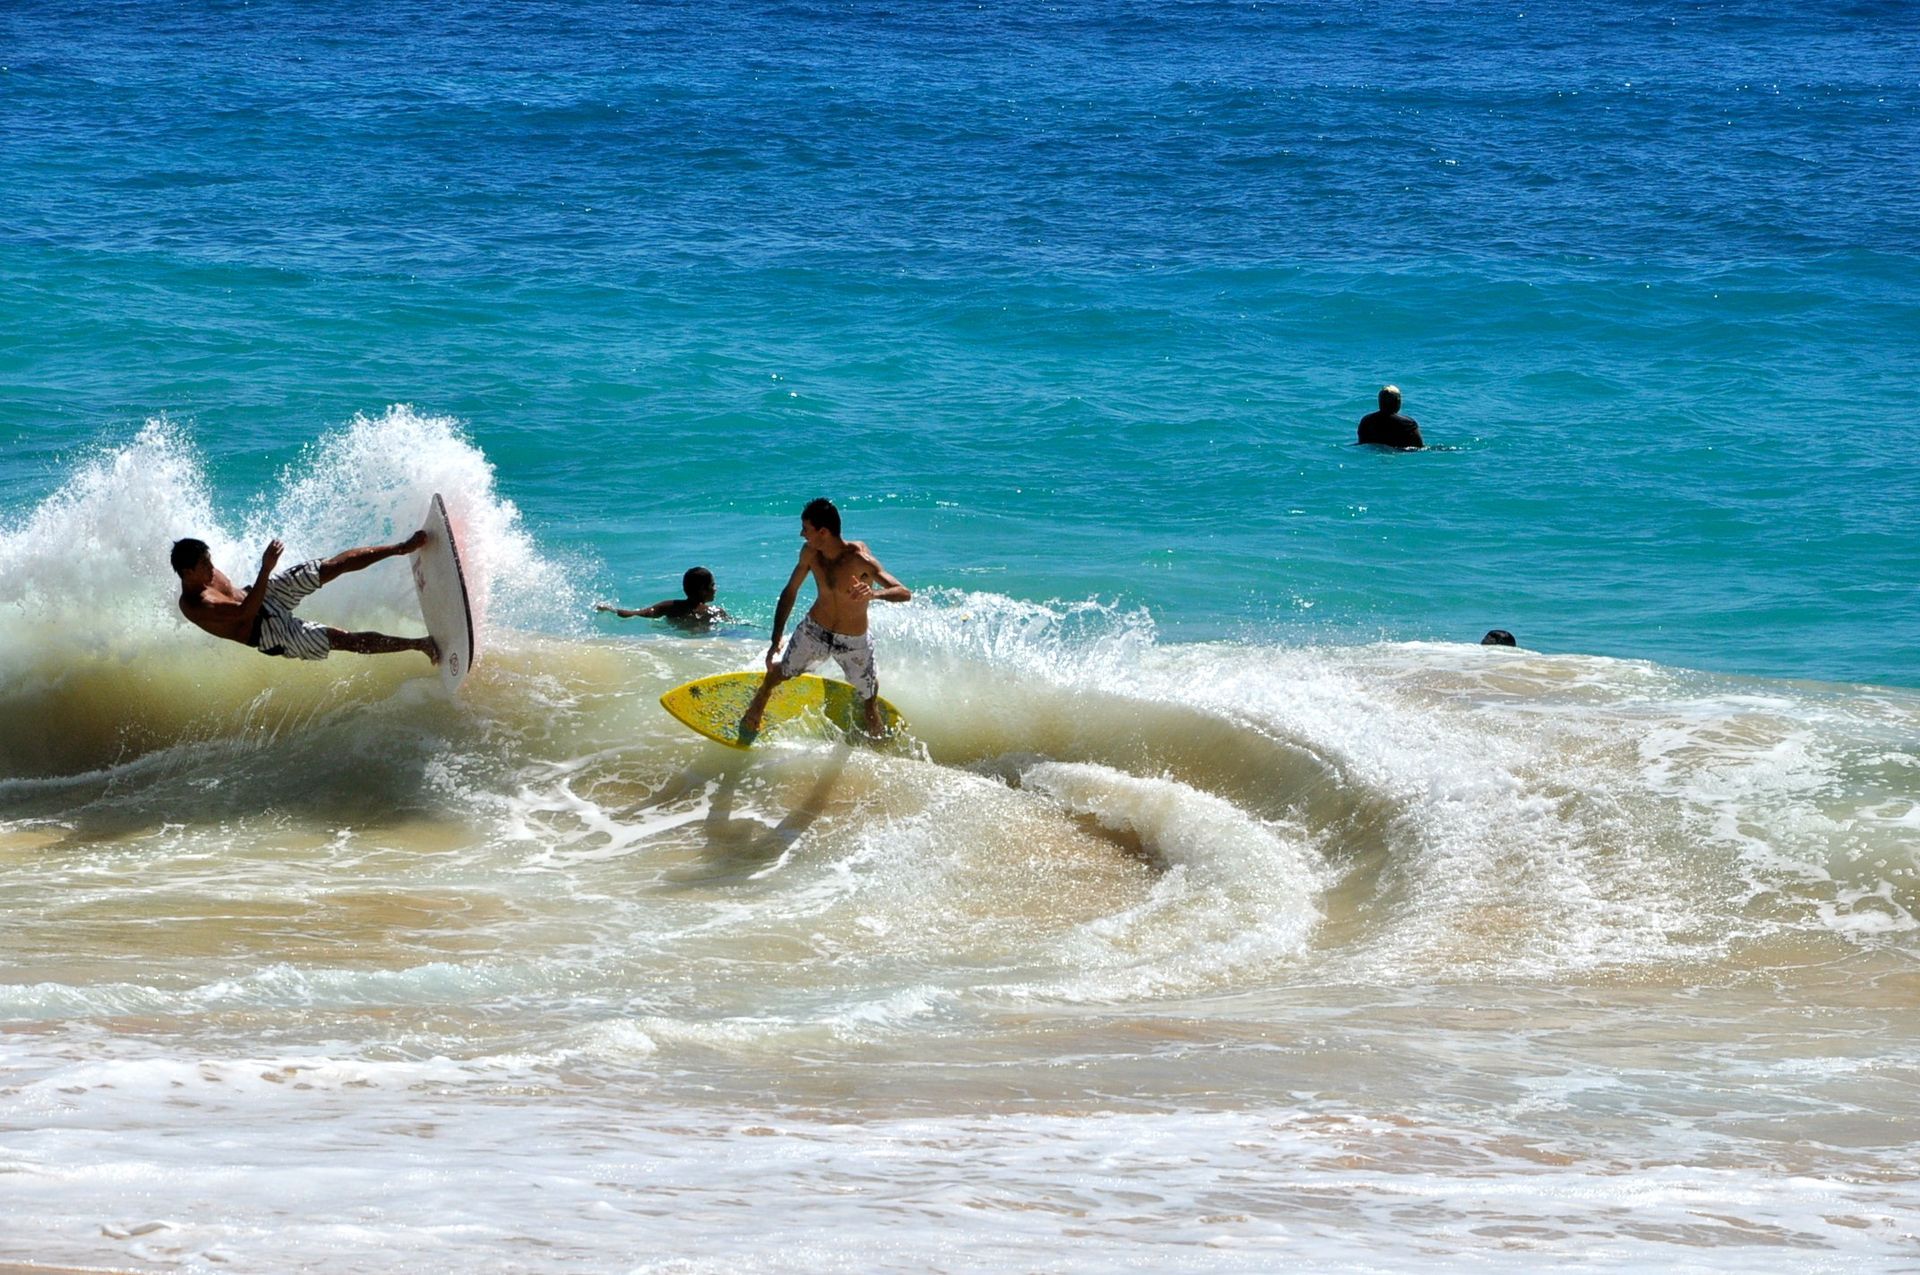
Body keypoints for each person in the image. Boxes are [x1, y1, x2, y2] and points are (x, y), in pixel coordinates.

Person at [739, 498, 910, 740]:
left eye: (805, 529)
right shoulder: (810, 554)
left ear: (823, 531)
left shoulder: (859, 558)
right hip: (815, 631)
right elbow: (790, 591)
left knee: (868, 696)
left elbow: (904, 592)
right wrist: (776, 637)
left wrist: (874, 594)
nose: (801, 534)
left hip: (853, 640)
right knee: (780, 673)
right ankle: (759, 701)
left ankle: (872, 720)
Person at [171, 535, 438, 664]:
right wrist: (266, 568)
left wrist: (265, 578)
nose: (212, 567)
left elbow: (248, 599)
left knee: (331, 567)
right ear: (187, 572)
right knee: (343, 639)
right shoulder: (196, 605)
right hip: (267, 633)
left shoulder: (205, 571)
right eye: (205, 565)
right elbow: (243, 612)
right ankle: (420, 645)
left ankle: (402, 548)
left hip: (262, 596)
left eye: (210, 560)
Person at [596, 566, 730, 629]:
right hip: (704, 649)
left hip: (675, 644)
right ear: (703, 590)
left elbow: (636, 614)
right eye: (712, 585)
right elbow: (735, 627)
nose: (715, 589)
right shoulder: (715, 612)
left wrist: (611, 609)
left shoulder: (670, 607)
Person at [1358, 384, 1425, 449]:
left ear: (1379, 401)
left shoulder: (1366, 421)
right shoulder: (1408, 424)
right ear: (1398, 402)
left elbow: (1362, 443)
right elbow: (1419, 447)